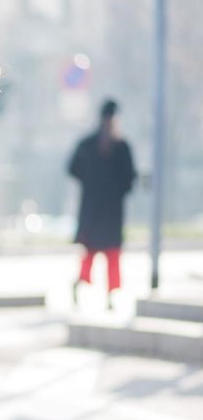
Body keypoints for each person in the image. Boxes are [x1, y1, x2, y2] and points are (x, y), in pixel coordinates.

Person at [68, 99, 137, 308]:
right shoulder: (117, 145)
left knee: (103, 253)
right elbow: (129, 178)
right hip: (106, 210)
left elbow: (72, 168)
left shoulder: (92, 144)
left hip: (98, 209)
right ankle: (99, 291)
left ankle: (105, 294)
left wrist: (90, 184)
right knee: (103, 253)